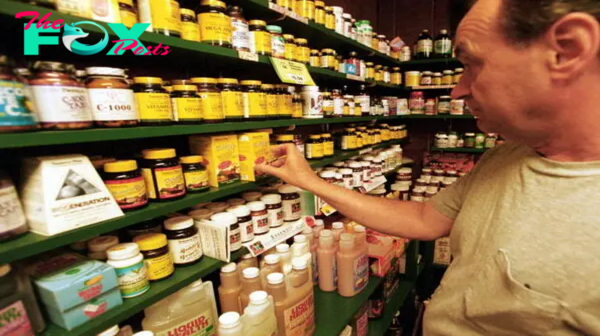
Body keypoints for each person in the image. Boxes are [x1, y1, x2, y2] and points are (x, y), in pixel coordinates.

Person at [256, 0, 600, 334]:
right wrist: (309, 181)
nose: (458, 89)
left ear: (567, 49)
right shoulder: (508, 155)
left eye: (472, 63)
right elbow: (423, 219)